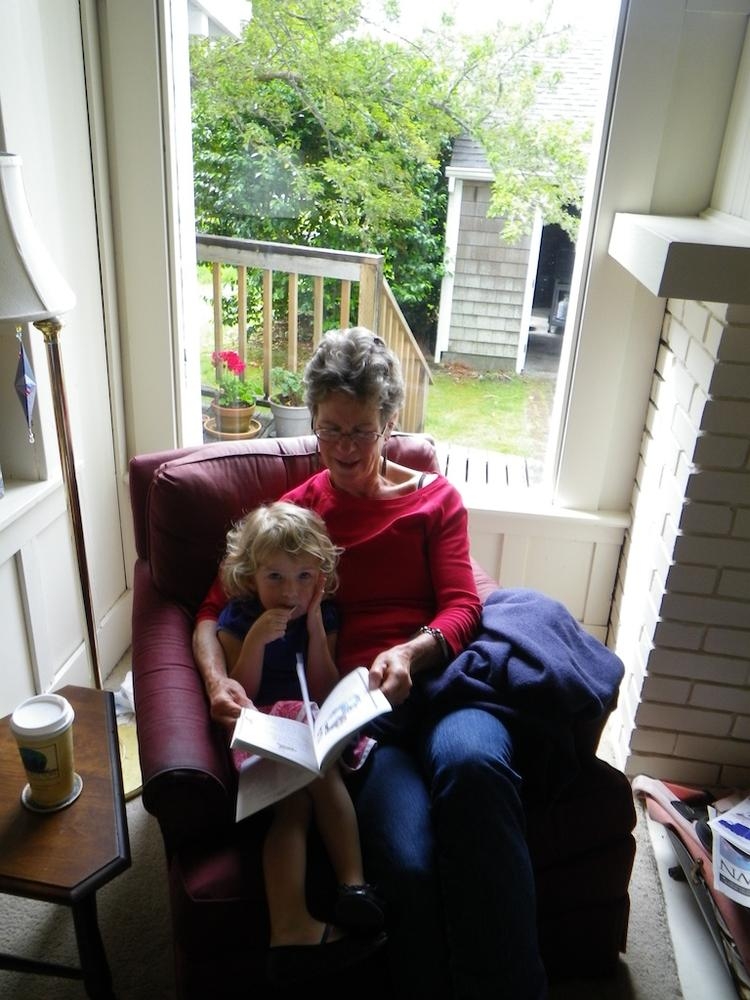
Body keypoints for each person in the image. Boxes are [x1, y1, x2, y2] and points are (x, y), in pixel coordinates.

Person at [194, 327, 548, 999]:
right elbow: (210, 612)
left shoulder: (435, 500)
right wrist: (216, 683)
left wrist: (414, 650)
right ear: (313, 423)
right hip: (363, 717)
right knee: (405, 863)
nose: (345, 449)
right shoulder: (296, 517)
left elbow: (463, 604)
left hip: (446, 689)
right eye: (330, 430)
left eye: (361, 430)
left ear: (390, 422)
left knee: (475, 770)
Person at [215, 500, 387, 987]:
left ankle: (323, 909)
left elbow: (325, 683)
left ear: (321, 578)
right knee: (306, 794)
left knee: (305, 799)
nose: (290, 591)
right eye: (275, 577)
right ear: (250, 576)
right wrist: (254, 642)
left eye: (304, 577)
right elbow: (241, 690)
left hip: (310, 722)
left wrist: (313, 630)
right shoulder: (239, 617)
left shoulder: (323, 615)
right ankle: (333, 896)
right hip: (264, 727)